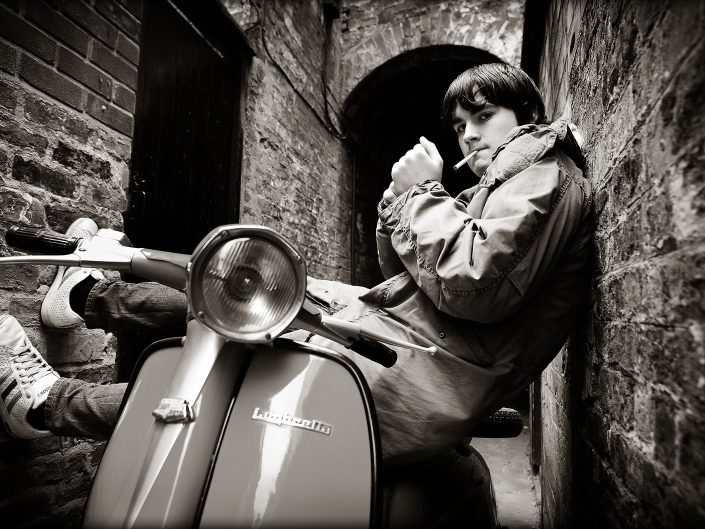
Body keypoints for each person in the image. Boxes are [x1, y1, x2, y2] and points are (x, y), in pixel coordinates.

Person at [0, 63, 592, 465]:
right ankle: (85, 294)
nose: (467, 137)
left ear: (526, 113)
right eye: (460, 126)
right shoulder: (503, 182)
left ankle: (44, 406)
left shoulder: (545, 175)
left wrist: (422, 197)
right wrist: (400, 205)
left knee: (228, 393)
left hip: (418, 373)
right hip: (398, 341)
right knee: (246, 285)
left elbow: (470, 286)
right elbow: (413, 276)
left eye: (481, 117)